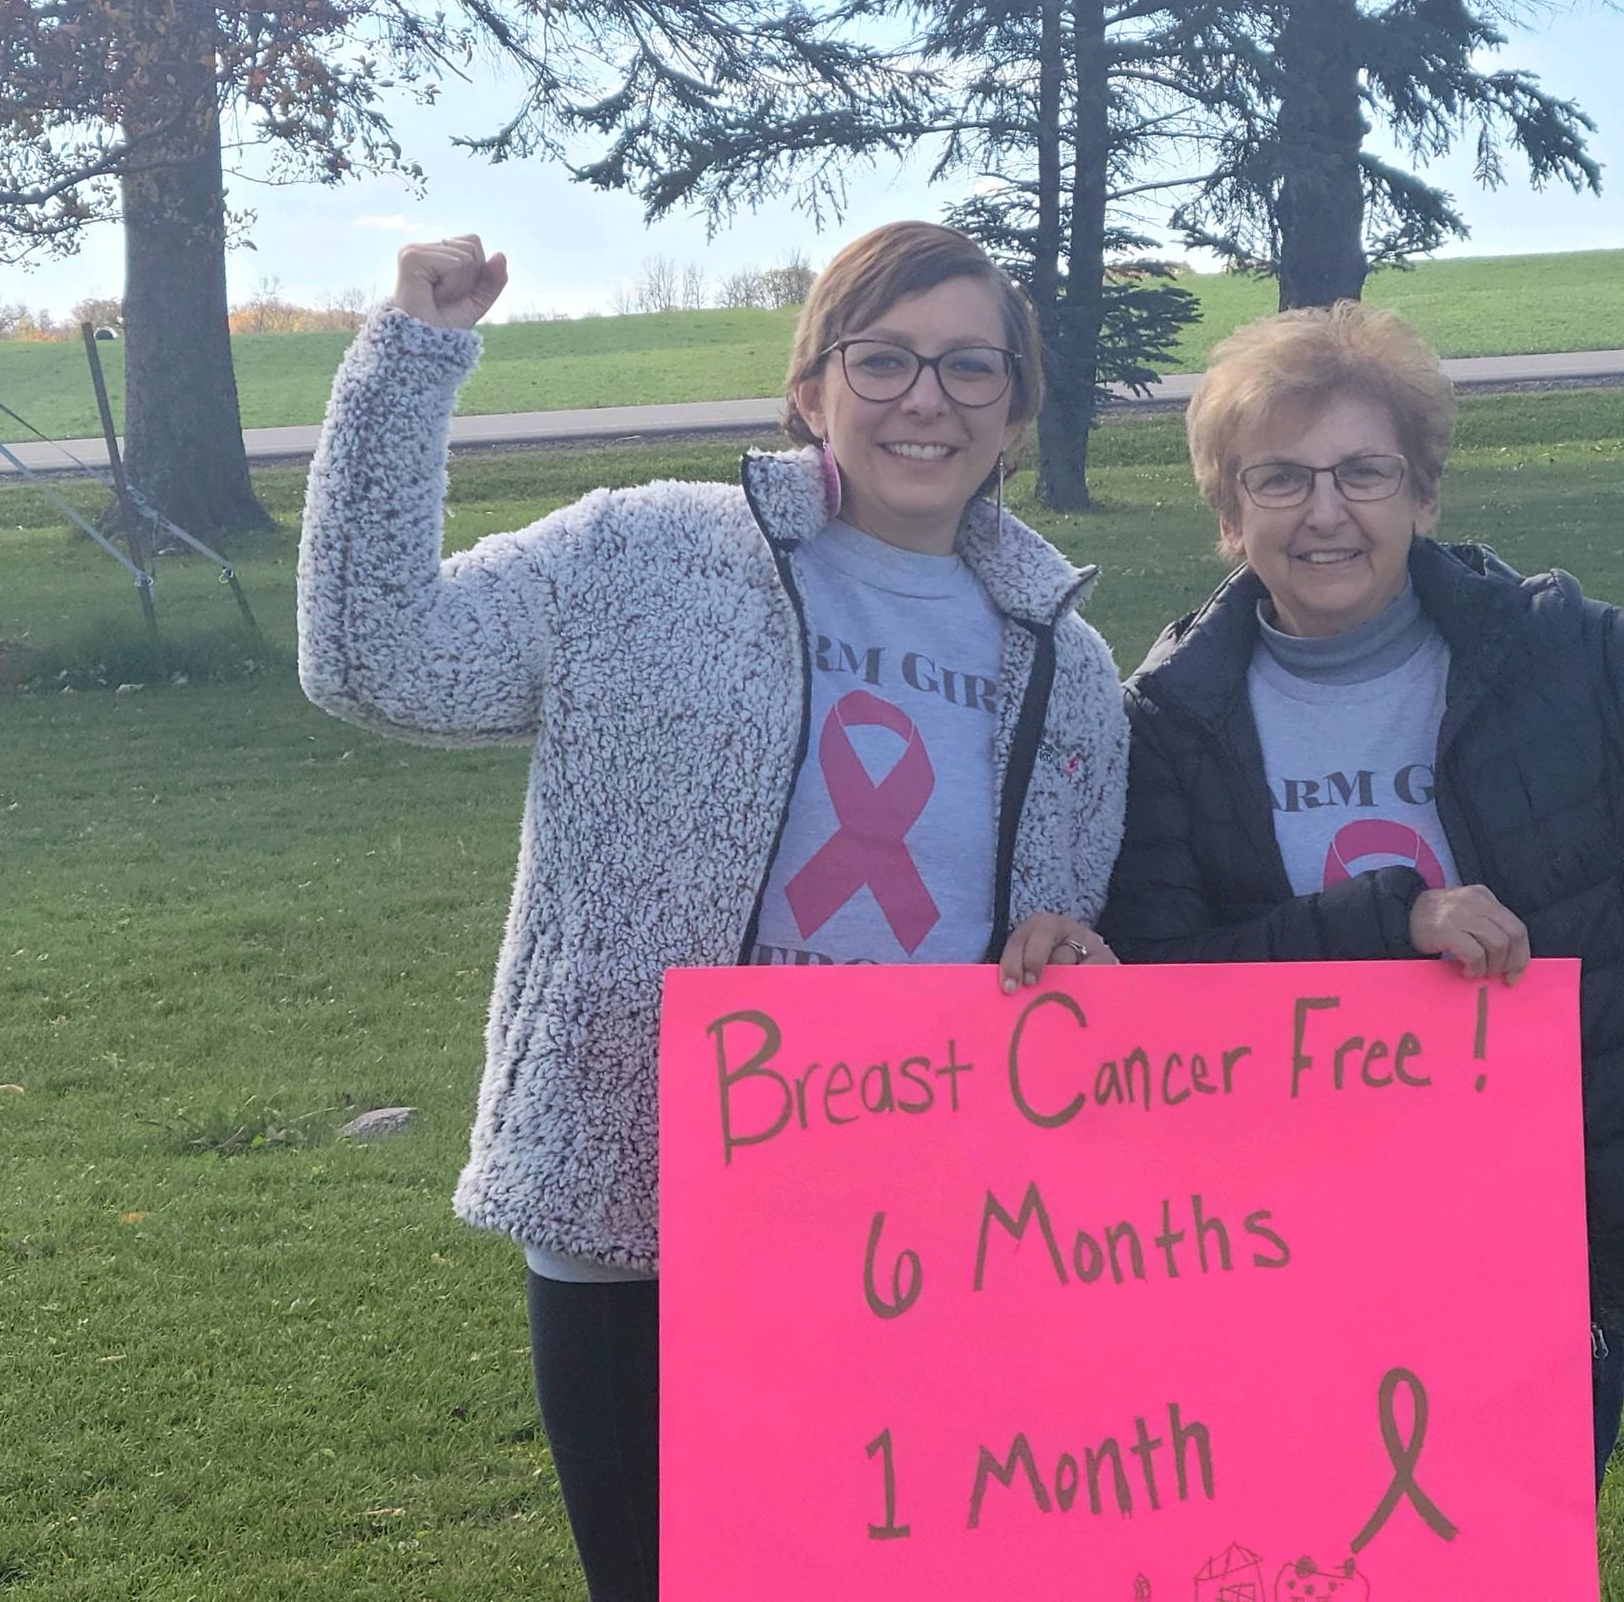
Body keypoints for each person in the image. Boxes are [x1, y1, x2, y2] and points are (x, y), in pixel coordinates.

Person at [297, 221, 1129, 1600]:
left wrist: (1067, 957)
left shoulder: (1070, 664)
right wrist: (412, 360)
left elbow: (1056, 935)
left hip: (919, 1237)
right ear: (811, 388)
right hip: (644, 1214)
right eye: (886, 360)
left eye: (972, 366)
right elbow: (377, 661)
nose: (928, 399)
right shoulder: (640, 556)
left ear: (1017, 409)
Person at [1099, 299, 1624, 1486]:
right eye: (1280, 478)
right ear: (1229, 514)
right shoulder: (1168, 722)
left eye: (1364, 471)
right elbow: (1155, 989)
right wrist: (1392, 921)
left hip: (1524, 1247)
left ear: (1424, 495)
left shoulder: (1551, 656)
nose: (1327, 510)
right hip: (1279, 1252)